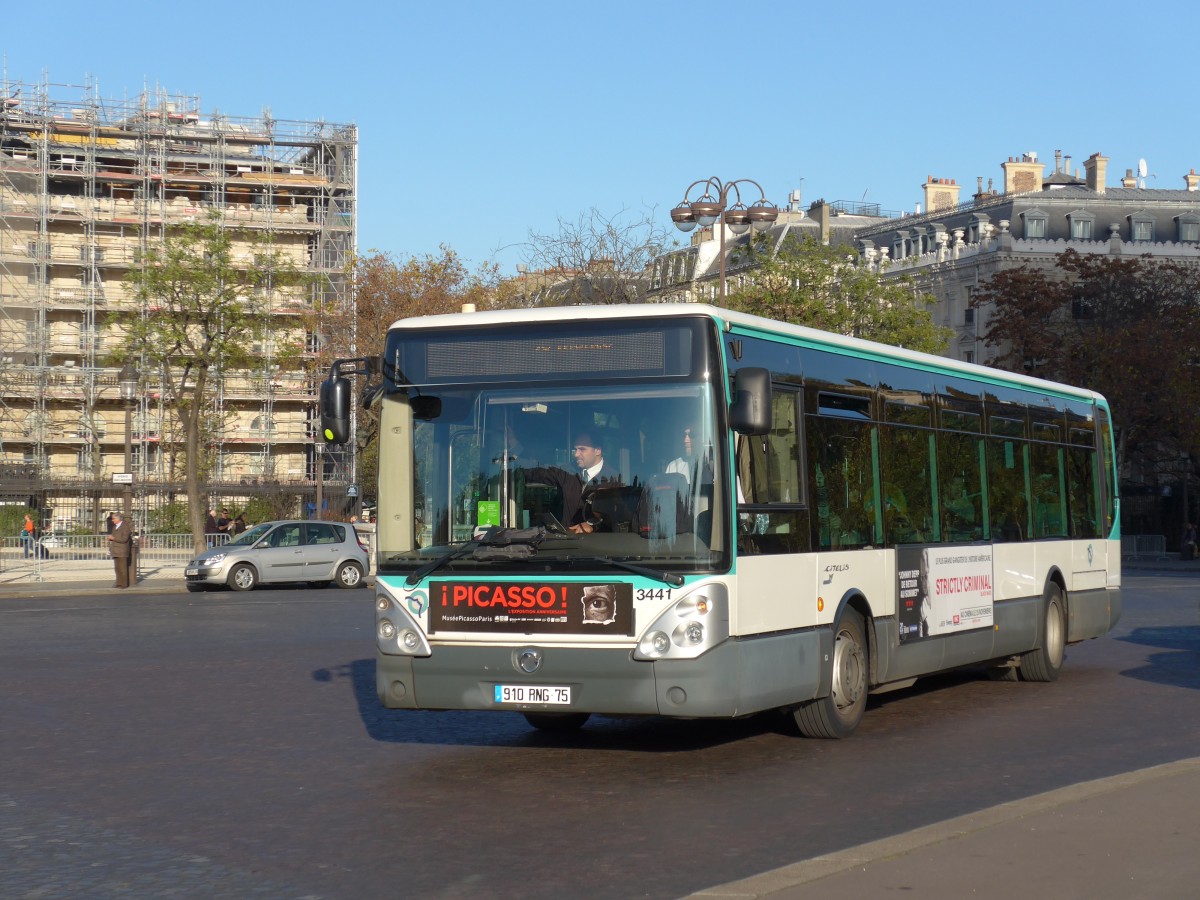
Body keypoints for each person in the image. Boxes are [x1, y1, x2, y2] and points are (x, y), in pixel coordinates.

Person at [524, 431, 622, 534]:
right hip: (567, 542)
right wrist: (512, 468)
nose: (576, 454)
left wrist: (593, 524)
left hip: (599, 545)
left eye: (582, 449)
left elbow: (618, 516)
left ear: (597, 450)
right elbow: (538, 473)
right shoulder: (568, 471)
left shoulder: (615, 479)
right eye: (575, 449)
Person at [107, 511, 133, 588]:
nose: (112, 520)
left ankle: (124, 584)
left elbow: (124, 539)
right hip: (115, 550)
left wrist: (113, 538)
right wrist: (111, 539)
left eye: (113, 518)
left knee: (122, 568)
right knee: (117, 568)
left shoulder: (125, 526)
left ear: (118, 518)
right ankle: (118, 582)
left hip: (122, 550)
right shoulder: (115, 526)